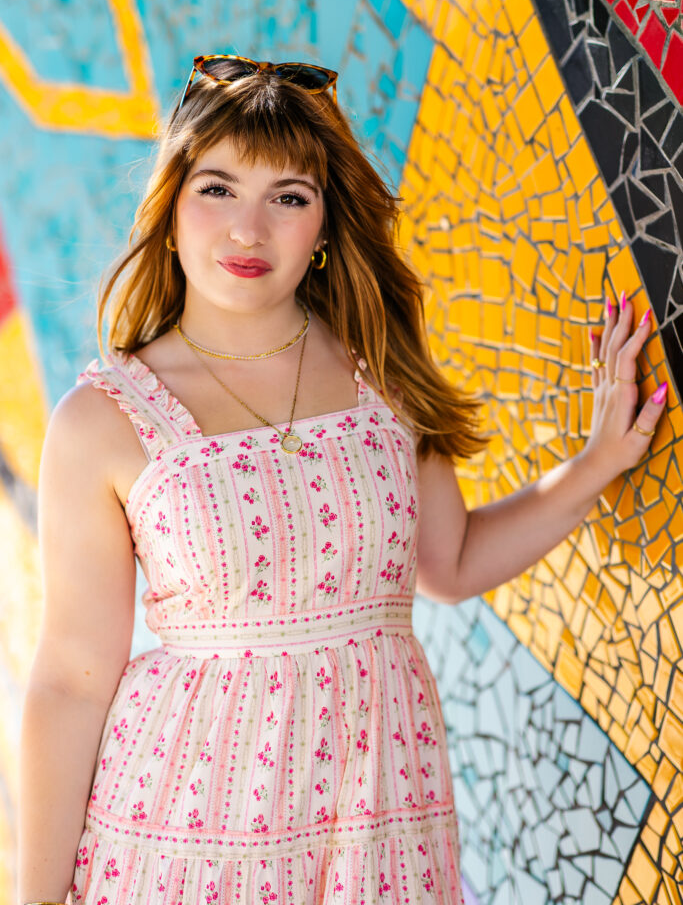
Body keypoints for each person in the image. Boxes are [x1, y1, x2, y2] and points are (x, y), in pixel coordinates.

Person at [18, 55, 668, 905]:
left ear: (323, 226)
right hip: (186, 831)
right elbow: (71, 677)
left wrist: (595, 466)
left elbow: (450, 562)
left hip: (378, 815)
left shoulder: (382, 372)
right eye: (216, 189)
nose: (248, 229)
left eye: (288, 197)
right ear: (170, 208)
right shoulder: (103, 419)